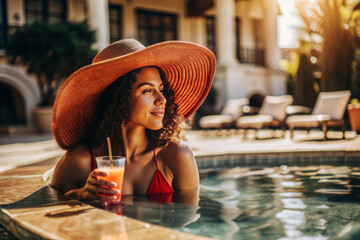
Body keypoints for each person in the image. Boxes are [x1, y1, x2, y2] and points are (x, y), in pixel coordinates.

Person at [50, 39, 216, 204]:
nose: (162, 99)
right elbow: (43, 209)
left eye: (161, 89)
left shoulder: (176, 156)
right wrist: (82, 194)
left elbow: (189, 220)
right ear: (120, 99)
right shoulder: (81, 161)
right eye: (148, 90)